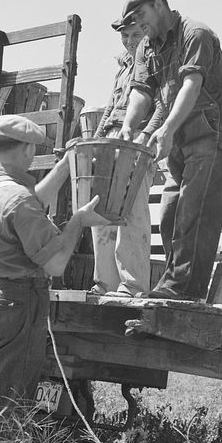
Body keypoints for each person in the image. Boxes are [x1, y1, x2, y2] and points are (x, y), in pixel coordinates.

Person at [0, 114, 109, 443]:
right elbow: (55, 264)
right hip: (13, 308)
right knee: (4, 412)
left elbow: (30, 202)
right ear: (28, 150)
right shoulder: (19, 201)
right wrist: (78, 222)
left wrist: (65, 167)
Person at [118, 0, 222, 302]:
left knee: (194, 211)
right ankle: (177, 285)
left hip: (213, 133)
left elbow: (192, 85)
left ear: (159, 5)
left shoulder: (194, 34)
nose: (138, 23)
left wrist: (167, 129)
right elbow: (141, 91)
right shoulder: (147, 47)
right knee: (170, 213)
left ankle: (184, 289)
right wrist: (129, 126)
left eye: (141, 15)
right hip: (180, 137)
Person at [87, 15, 154, 297]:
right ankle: (105, 282)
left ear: (148, 33)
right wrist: (97, 139)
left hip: (136, 139)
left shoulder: (154, 63)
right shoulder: (124, 66)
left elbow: (160, 103)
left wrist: (146, 136)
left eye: (135, 35)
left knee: (132, 212)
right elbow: (111, 106)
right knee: (100, 210)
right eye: (124, 36)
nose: (129, 42)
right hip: (112, 138)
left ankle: (133, 285)